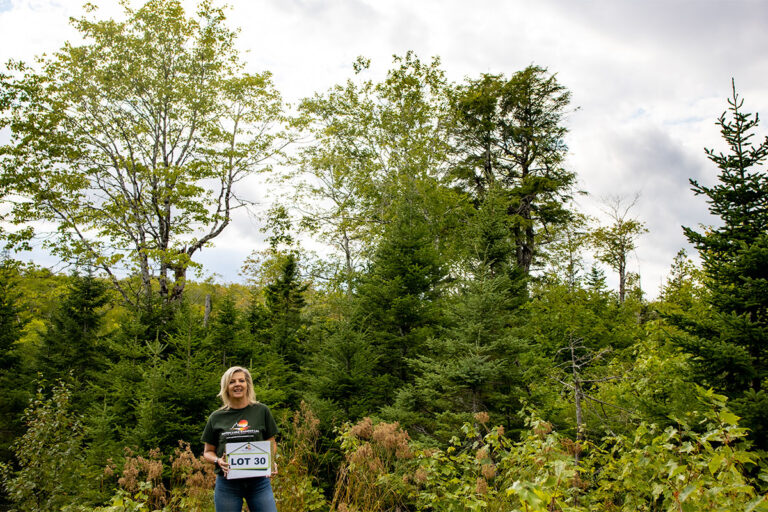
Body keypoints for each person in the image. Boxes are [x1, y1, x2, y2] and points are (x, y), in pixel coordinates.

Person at [202, 366, 279, 511]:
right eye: (232, 382)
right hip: (227, 485)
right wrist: (218, 460)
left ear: (247, 385)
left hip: (259, 483)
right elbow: (207, 452)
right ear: (226, 387)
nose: (237, 384)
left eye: (241, 381)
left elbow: (271, 442)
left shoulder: (262, 411)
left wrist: (271, 460)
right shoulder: (216, 417)